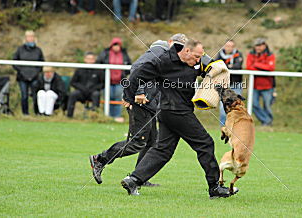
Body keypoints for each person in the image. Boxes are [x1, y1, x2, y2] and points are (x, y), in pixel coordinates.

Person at [120, 38, 235, 199]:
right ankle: (214, 187)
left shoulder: (193, 62)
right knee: (205, 143)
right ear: (186, 51)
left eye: (199, 57)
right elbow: (136, 75)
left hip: (170, 111)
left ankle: (133, 179)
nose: (198, 60)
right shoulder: (163, 61)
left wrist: (217, 69)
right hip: (176, 111)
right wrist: (129, 97)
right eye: (196, 56)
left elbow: (210, 66)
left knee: (163, 150)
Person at [89, 39, 176, 186]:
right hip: (140, 104)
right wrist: (139, 91)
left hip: (149, 105)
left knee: (152, 143)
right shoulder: (159, 51)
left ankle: (138, 178)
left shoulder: (164, 56)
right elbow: (137, 67)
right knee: (137, 143)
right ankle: (100, 158)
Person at [96, 38, 131, 122]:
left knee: (118, 99)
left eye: (118, 45)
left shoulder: (124, 54)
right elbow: (99, 64)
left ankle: (117, 117)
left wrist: (124, 74)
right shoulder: (105, 53)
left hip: (120, 81)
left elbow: (129, 66)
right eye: (115, 45)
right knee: (108, 98)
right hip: (107, 81)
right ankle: (108, 116)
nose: (116, 47)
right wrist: (102, 75)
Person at [13, 30, 45, 115]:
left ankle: (37, 113)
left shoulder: (38, 50)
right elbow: (14, 62)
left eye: (32, 36)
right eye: (29, 36)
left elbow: (41, 64)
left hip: (34, 77)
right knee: (24, 96)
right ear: (25, 38)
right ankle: (25, 114)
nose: (30, 38)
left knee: (35, 96)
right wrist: (22, 72)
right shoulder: (20, 50)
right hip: (22, 77)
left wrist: (35, 73)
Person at [246, 38, 276, 126]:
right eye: (256, 45)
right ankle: (266, 120)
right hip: (254, 85)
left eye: (259, 45)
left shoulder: (270, 55)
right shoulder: (251, 54)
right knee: (254, 104)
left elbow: (270, 67)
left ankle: (268, 122)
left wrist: (256, 65)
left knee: (267, 105)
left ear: (264, 46)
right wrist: (263, 67)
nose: (258, 47)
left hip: (267, 85)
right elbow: (248, 66)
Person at [66, 52, 104, 118]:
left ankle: (94, 116)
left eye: (92, 59)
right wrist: (82, 88)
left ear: (94, 60)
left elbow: (102, 84)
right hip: (81, 92)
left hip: (93, 92)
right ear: (85, 59)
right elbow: (73, 82)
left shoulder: (99, 70)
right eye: (88, 59)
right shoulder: (79, 69)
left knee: (96, 94)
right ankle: (69, 116)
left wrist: (93, 89)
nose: (90, 60)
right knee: (73, 94)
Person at [215, 40, 243, 125]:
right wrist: (229, 67)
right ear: (224, 46)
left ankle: (236, 126)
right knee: (223, 108)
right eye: (227, 46)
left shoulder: (238, 54)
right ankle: (223, 127)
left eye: (231, 46)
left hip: (236, 84)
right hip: (224, 86)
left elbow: (237, 67)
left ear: (234, 47)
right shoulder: (220, 55)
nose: (229, 48)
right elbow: (216, 66)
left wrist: (225, 67)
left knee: (236, 106)